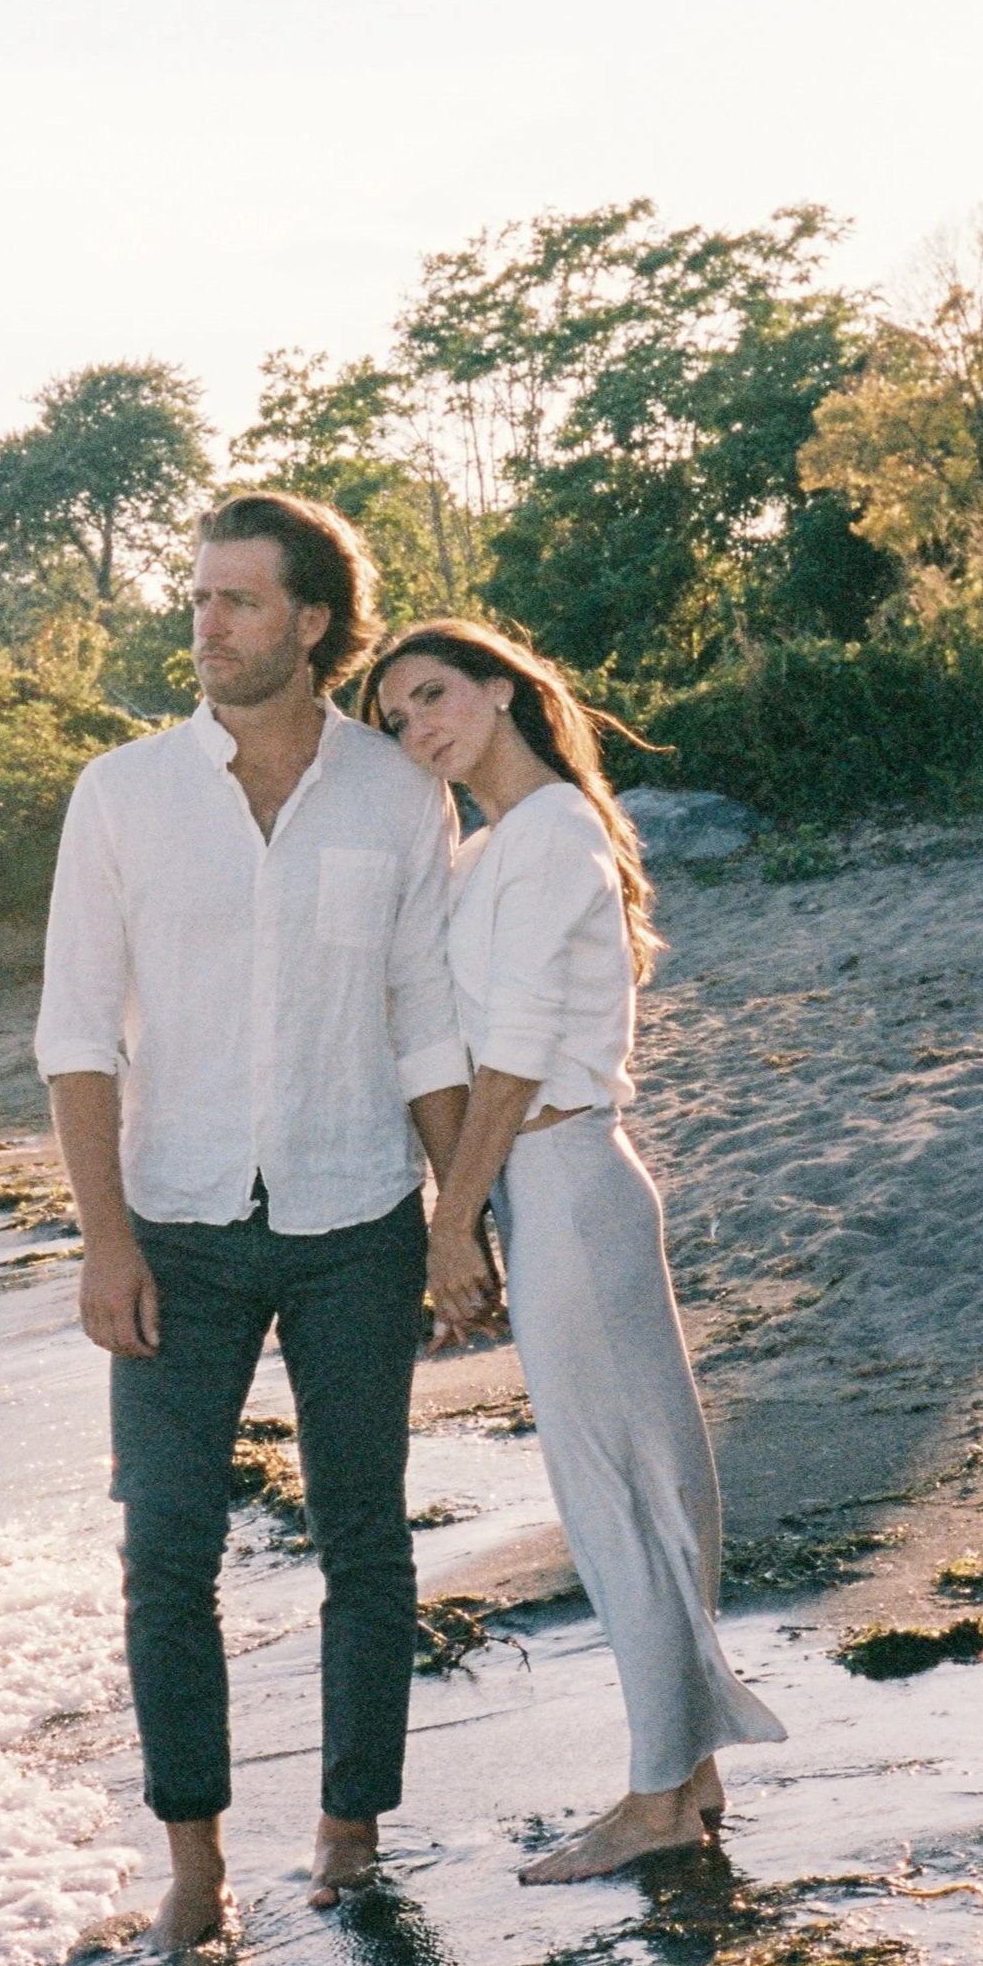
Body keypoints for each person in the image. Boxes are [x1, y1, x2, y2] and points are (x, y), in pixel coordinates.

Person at [37, 496, 470, 1948]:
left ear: (311, 624)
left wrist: (461, 1219)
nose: (205, 625)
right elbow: (77, 1034)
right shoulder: (123, 793)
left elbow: (425, 1025)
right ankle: (197, 1864)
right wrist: (105, 1241)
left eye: (236, 601)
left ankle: (349, 1832)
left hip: (358, 1216)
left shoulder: (400, 798)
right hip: (176, 1227)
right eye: (199, 598)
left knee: (367, 1540)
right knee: (165, 1550)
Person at [361, 620, 785, 1880]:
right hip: (546, 1187)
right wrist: (484, 1211)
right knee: (631, 1476)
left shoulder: (548, 833)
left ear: (500, 688)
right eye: (393, 717)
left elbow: (518, 1054)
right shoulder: (491, 844)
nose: (416, 728)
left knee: (620, 1484)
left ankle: (658, 1794)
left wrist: (452, 1222)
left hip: (569, 1173)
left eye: (432, 695)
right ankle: (684, 1766)